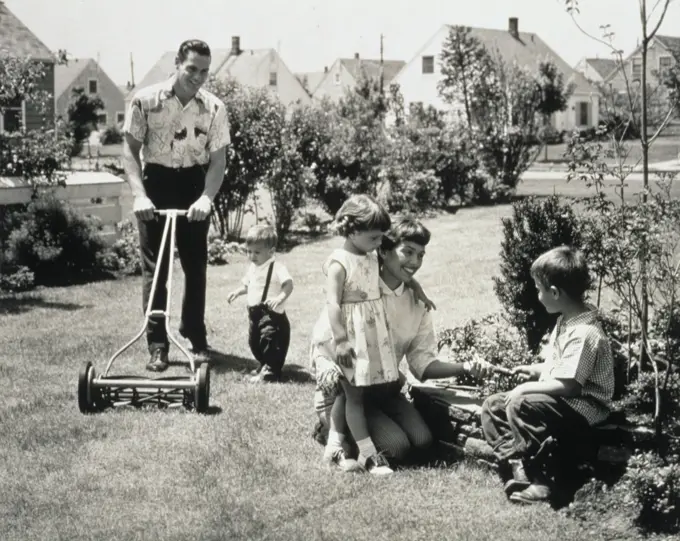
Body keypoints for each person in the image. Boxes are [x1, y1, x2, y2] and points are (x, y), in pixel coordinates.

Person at [313, 217, 489, 471]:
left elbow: (423, 365)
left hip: (386, 387)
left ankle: (361, 427)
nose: (415, 263)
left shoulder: (417, 304)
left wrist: (466, 367)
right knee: (397, 448)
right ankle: (330, 427)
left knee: (422, 440)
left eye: (421, 255)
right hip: (348, 390)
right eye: (407, 252)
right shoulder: (359, 291)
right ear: (383, 250)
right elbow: (324, 339)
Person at [122, 39, 231, 372]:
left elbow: (218, 160)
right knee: (156, 269)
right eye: (191, 69)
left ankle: (195, 336)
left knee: (196, 265)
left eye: (204, 71)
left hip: (193, 185)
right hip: (156, 182)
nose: (197, 77)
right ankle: (157, 345)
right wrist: (140, 195)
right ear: (177, 65)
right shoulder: (145, 101)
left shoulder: (214, 108)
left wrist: (206, 198)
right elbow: (129, 151)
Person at [480, 246, 615, 505]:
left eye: (539, 290)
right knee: (493, 405)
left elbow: (570, 385)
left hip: (584, 408)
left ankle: (539, 479)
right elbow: (563, 367)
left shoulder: (584, 332)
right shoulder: (566, 321)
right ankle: (519, 467)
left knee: (521, 402)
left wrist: (525, 388)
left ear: (554, 292)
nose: (538, 295)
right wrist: (536, 370)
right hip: (565, 400)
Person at [227, 225, 293, 382]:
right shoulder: (253, 268)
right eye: (249, 251)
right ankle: (263, 363)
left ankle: (271, 370)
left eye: (257, 252)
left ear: (271, 251)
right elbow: (247, 285)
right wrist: (237, 292)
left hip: (271, 314)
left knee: (269, 340)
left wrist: (279, 298)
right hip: (254, 313)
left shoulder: (277, 268)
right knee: (254, 341)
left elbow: (289, 284)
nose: (252, 256)